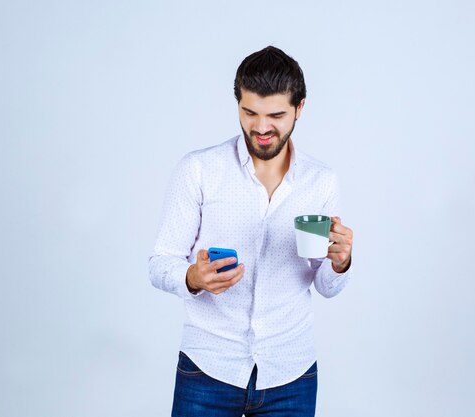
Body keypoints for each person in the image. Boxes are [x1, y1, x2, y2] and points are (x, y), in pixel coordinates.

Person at [149, 45, 354, 417]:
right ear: (238, 105)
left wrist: (340, 262)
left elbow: (325, 286)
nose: (261, 128)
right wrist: (192, 277)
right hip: (207, 368)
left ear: (300, 108)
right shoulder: (199, 170)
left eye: (275, 115)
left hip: (290, 373)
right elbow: (160, 263)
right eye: (249, 113)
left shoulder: (321, 181)